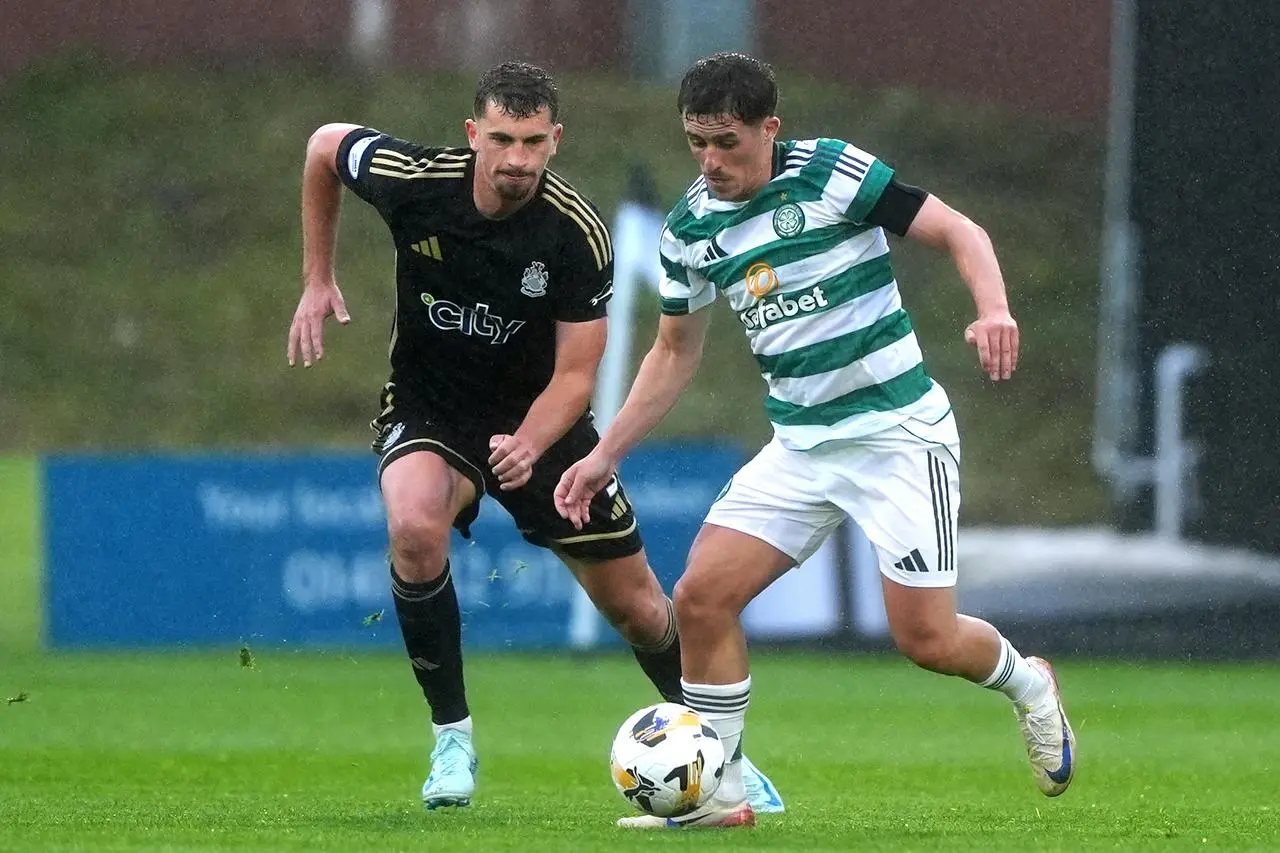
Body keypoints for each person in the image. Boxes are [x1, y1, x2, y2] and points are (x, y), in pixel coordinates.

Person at [555, 52, 1076, 829]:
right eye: (697, 142)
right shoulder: (692, 227)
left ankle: (1031, 684)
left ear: (770, 128)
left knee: (927, 639)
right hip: (801, 447)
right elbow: (672, 351)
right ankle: (721, 795)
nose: (710, 160)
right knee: (700, 597)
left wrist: (994, 308)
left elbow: (957, 230)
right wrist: (605, 453)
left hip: (897, 435)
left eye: (727, 142)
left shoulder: (831, 172)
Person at [286, 61, 782, 814]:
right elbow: (326, 145)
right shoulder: (416, 182)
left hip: (545, 422)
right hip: (431, 408)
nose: (516, 158)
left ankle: (721, 756)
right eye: (501, 139)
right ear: (472, 134)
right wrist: (317, 277)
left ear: (556, 140)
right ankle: (452, 738)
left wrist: (527, 440)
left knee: (639, 608)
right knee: (414, 526)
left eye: (532, 142)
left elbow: (578, 373)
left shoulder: (574, 231)